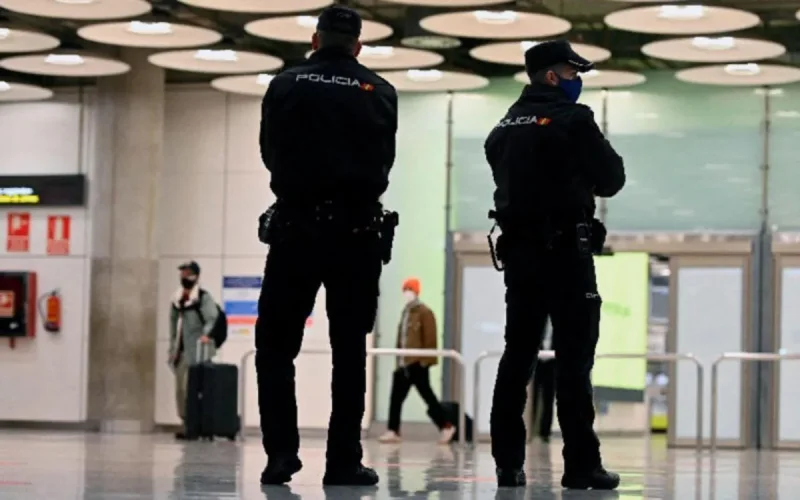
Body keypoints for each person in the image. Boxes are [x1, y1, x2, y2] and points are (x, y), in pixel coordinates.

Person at [254, 4, 398, 488]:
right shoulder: (379, 91)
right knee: (349, 350)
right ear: (358, 46)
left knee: (275, 347)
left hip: (294, 230)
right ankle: (342, 462)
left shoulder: (285, 85)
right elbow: (384, 163)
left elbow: (269, 151)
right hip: (356, 235)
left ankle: (280, 456)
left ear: (315, 41)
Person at [484, 40, 626, 489]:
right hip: (567, 254)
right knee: (574, 360)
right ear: (551, 76)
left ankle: (508, 465)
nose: (576, 80)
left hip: (520, 257)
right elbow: (612, 178)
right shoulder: (574, 119)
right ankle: (581, 466)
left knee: (517, 357)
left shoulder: (502, 128)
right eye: (571, 72)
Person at [378, 278, 455, 445]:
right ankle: (393, 430)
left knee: (427, 396)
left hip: (417, 363)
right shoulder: (406, 312)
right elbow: (402, 338)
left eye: (409, 289)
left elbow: (430, 338)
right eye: (405, 289)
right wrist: (398, 360)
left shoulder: (424, 312)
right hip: (403, 363)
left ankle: (446, 426)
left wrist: (425, 361)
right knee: (396, 397)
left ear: (416, 291)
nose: (407, 292)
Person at [168, 261, 219, 440]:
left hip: (198, 352)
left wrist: (205, 334)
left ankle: (196, 426)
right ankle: (186, 423)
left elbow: (212, 318)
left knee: (191, 390)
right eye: (182, 273)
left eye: (188, 273)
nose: (184, 277)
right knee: (180, 391)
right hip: (181, 353)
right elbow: (173, 326)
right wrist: (171, 350)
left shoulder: (202, 298)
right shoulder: (177, 300)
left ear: (196, 276)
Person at [531, 319, 555, 443]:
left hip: (553, 361)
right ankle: (529, 428)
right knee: (532, 397)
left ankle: (545, 432)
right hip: (536, 361)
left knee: (548, 397)